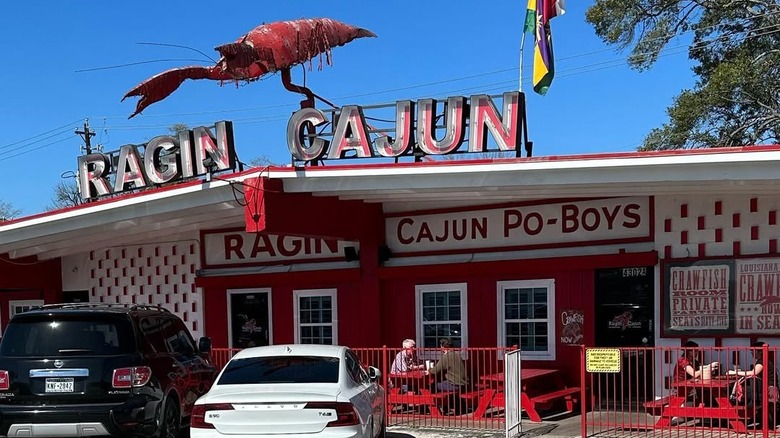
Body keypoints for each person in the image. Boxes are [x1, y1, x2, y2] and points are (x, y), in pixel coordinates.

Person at [727, 341, 777, 427]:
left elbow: (753, 372)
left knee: (766, 407)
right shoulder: (763, 360)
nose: (752, 353)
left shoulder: (762, 361)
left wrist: (734, 372)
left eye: (753, 351)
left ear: (760, 351)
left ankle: (766, 425)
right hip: (768, 387)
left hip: (769, 388)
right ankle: (764, 423)